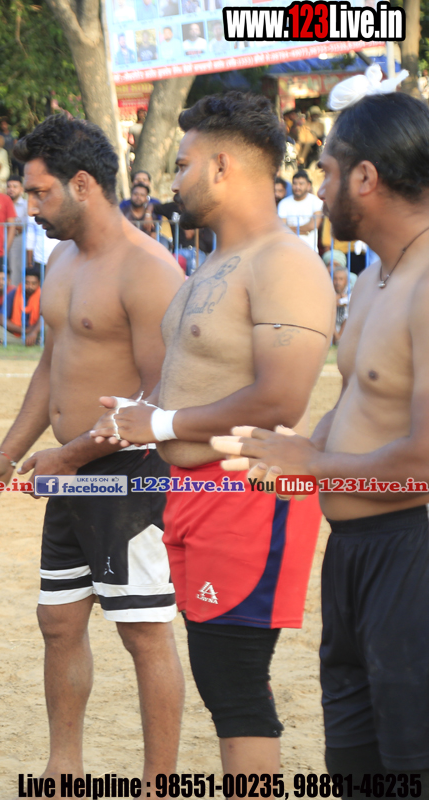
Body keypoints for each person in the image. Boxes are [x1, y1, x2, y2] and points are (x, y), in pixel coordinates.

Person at [90, 91, 334, 774]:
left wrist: (162, 422)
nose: (174, 181)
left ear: (223, 167)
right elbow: (203, 375)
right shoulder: (218, 261)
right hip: (191, 494)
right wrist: (143, 414)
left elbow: (281, 396)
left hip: (247, 497)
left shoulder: (284, 262)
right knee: (219, 679)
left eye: (183, 165)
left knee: (235, 686)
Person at [210, 89, 429, 777]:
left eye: (328, 172)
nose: (317, 188)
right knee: (355, 764)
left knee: (411, 763)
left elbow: (425, 460)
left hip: (412, 550)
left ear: (366, 177)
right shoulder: (377, 276)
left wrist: (312, 465)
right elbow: (360, 400)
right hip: (355, 554)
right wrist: (299, 451)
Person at [0, 113, 185, 782]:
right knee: (58, 622)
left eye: (40, 192)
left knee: (143, 630)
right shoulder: (61, 259)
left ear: (83, 184)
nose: (29, 207)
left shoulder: (149, 268)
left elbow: (159, 396)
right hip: (71, 473)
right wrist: (6, 456)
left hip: (129, 475)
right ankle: (63, 774)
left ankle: (159, 788)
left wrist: (72, 456)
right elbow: (51, 370)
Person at [277, 169, 323, 252]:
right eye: (295, 183)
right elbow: (282, 228)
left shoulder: (316, 201)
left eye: (301, 184)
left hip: (310, 251)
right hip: (289, 250)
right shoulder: (283, 203)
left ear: (308, 185)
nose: (297, 187)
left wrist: (289, 229)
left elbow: (313, 225)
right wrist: (305, 231)